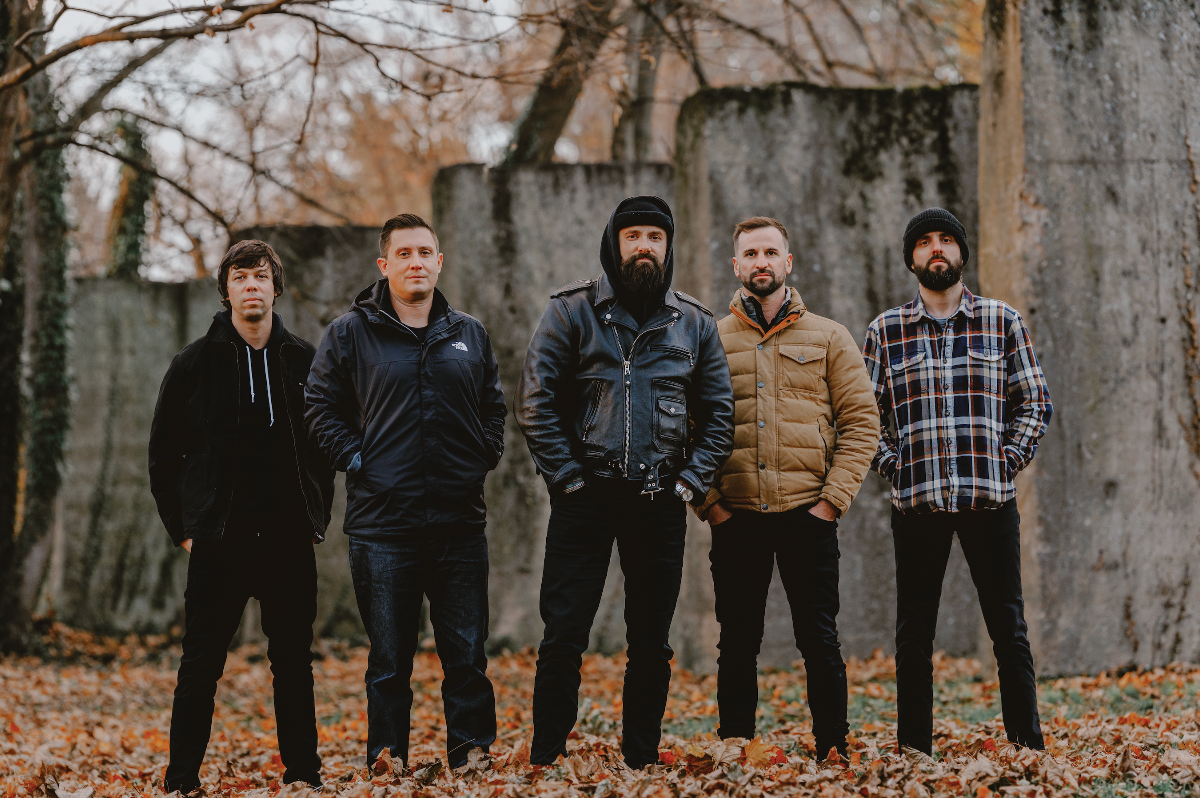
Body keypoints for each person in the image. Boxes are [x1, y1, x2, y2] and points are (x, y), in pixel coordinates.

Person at [515, 196, 734, 770]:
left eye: (655, 238)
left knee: (651, 641)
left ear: (668, 247)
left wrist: (689, 484)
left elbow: (719, 414)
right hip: (584, 498)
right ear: (614, 243)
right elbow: (536, 403)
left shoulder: (694, 323)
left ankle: (640, 756)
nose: (644, 246)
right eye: (633, 235)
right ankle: (547, 757)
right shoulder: (570, 312)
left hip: (659, 500)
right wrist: (568, 480)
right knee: (564, 634)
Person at [304, 213, 505, 771]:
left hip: (459, 524)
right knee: (390, 663)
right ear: (384, 265)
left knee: (467, 657)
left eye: (424, 253)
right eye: (404, 254)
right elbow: (318, 406)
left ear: (439, 262)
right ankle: (388, 762)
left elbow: (493, 406)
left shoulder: (469, 334)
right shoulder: (350, 333)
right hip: (383, 526)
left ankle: (471, 758)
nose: (415, 263)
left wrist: (482, 456)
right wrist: (358, 460)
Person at [862, 208, 1053, 758]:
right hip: (917, 504)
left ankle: (1026, 748)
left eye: (946, 239)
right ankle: (914, 753)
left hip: (989, 501)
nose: (936, 249)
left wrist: (1005, 460)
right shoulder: (885, 331)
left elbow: (1034, 402)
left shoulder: (1001, 320)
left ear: (961, 252)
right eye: (924, 242)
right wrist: (895, 465)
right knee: (914, 635)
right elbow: (860, 417)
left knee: (1008, 630)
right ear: (911, 259)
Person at [149, 240, 334, 794]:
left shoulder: (306, 360)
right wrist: (184, 530)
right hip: (219, 543)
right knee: (200, 665)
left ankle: (303, 776)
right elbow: (163, 454)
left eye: (261, 276)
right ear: (226, 290)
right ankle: (181, 780)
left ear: (276, 288)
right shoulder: (193, 364)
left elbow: (324, 447)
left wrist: (314, 519)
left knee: (293, 665)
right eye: (240, 277)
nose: (251, 285)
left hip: (287, 543)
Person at [694, 217, 880, 760]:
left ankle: (833, 749)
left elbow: (862, 422)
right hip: (737, 516)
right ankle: (736, 749)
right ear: (736, 265)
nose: (762, 262)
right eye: (751, 253)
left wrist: (831, 503)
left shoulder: (829, 337)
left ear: (788, 262)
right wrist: (711, 505)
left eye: (771, 252)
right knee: (737, 642)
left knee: (819, 639)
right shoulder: (710, 340)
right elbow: (685, 426)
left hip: (808, 515)